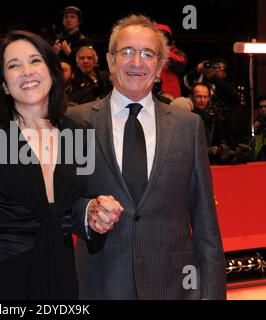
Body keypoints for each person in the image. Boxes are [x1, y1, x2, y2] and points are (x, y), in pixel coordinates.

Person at [68, 14, 226, 300]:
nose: (136, 62)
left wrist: (213, 294)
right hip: (99, 283)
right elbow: (60, 205)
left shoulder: (188, 126)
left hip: (174, 287)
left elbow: (205, 222)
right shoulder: (75, 121)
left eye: (147, 54)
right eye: (126, 52)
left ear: (159, 66)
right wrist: (87, 211)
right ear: (110, 60)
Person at [0, 30, 122, 300]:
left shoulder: (79, 134)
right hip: (3, 280)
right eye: (13, 65)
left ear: (51, 70)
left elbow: (72, 206)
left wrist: (94, 211)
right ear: (3, 84)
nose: (26, 71)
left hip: (61, 275)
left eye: (35, 61)